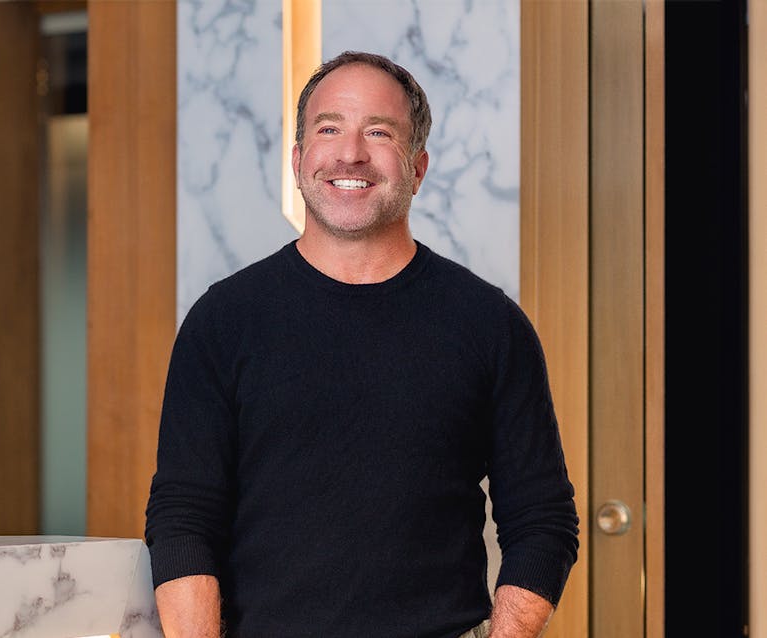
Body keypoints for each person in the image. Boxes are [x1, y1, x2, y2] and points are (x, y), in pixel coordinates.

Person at [144, 51, 579, 638]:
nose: (350, 153)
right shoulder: (222, 321)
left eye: (379, 132)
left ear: (418, 167)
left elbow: (542, 520)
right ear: (299, 161)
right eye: (329, 129)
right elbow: (183, 518)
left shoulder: (489, 324)